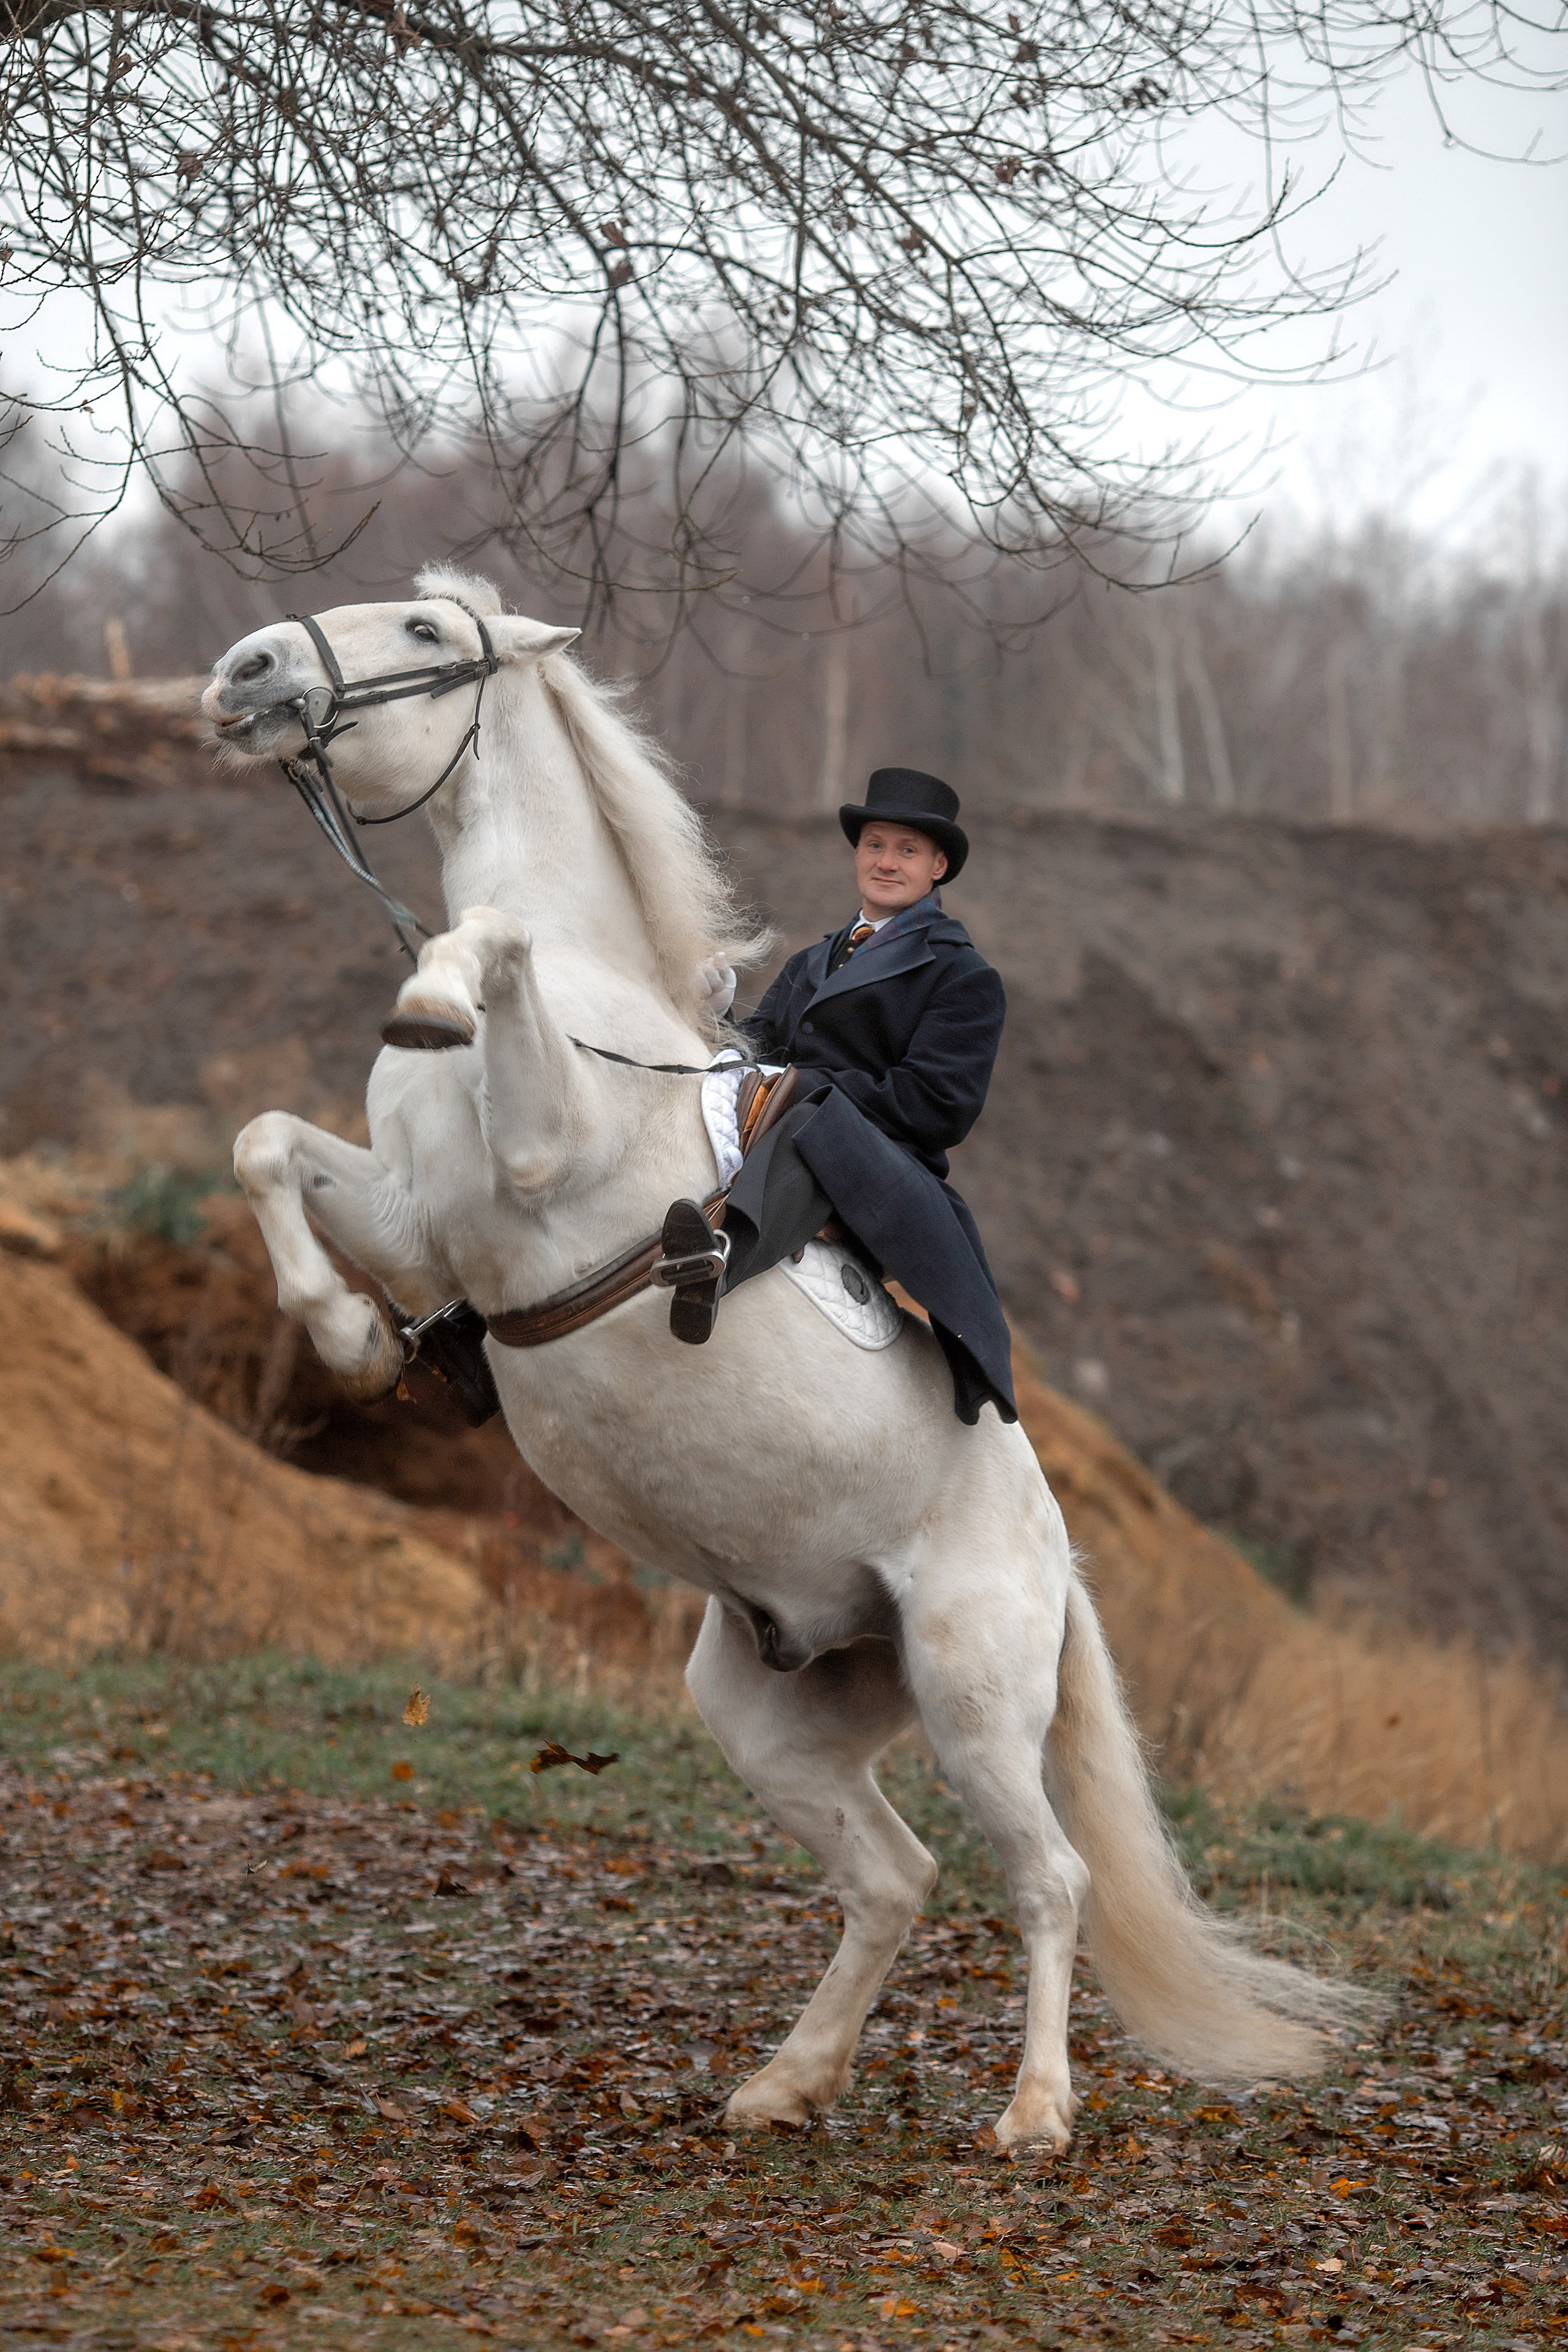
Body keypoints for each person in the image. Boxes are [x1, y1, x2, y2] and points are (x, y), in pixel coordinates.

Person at [674, 767, 1014, 1425]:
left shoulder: (964, 976)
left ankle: (722, 1257)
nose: (887, 862)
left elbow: (936, 1106)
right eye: (875, 845)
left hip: (880, 1169)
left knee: (815, 1115)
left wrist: (809, 1085)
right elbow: (759, 1048)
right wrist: (714, 1019)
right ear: (858, 854)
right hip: (786, 1129)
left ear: (938, 866)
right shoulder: (812, 960)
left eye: (907, 850)